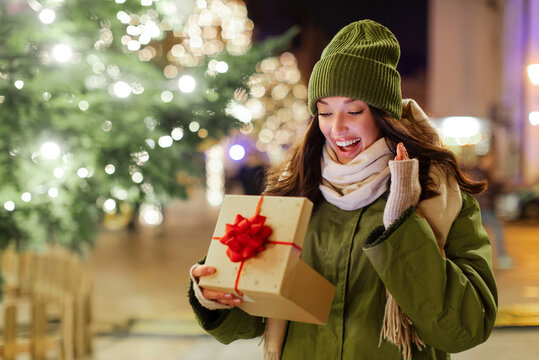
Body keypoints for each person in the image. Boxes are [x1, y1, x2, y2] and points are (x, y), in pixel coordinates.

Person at [188, 19, 497, 360]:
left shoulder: (440, 196)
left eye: (353, 110)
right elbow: (251, 322)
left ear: (383, 114)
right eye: (324, 111)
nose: (337, 128)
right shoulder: (293, 193)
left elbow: (467, 327)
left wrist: (403, 225)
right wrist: (217, 291)